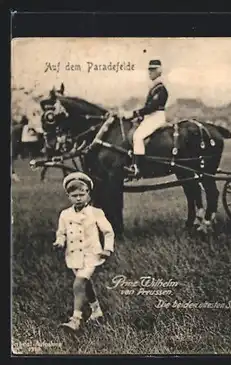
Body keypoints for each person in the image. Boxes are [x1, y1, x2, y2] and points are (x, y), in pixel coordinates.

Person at [53, 172, 115, 331]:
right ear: (68, 196)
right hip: (73, 256)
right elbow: (62, 232)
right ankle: (96, 311)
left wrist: (107, 248)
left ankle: (76, 319)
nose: (79, 198)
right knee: (85, 285)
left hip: (91, 254)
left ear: (88, 193)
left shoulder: (96, 212)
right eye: (74, 195)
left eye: (82, 194)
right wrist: (60, 242)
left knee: (78, 283)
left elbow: (108, 232)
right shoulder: (65, 214)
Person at [120, 59, 169, 177]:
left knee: (138, 137)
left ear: (159, 71)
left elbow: (152, 107)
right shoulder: (154, 87)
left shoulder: (161, 89)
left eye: (153, 70)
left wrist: (134, 114)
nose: (150, 72)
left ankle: (138, 168)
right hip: (151, 117)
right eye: (149, 70)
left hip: (157, 117)